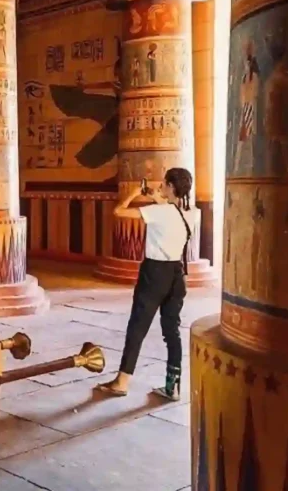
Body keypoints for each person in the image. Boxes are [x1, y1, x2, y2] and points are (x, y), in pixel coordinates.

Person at [96, 167, 197, 401]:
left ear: (171, 186)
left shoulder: (157, 213)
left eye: (164, 183)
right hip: (176, 274)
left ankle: (121, 382)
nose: (161, 186)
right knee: (172, 331)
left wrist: (133, 194)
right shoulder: (193, 213)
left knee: (137, 328)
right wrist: (155, 195)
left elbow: (119, 211)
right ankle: (173, 387)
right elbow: (171, 210)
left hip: (154, 273)